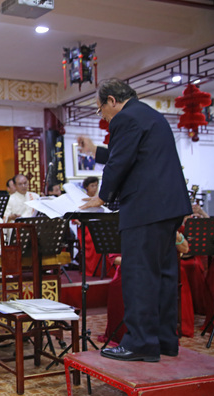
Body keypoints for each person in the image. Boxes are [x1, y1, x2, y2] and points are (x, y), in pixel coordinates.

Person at [79, 78, 191, 362]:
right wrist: (94, 150)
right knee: (163, 274)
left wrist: (102, 196)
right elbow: (134, 154)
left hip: (145, 207)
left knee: (139, 275)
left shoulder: (125, 118)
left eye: (101, 109)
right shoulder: (150, 115)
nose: (103, 116)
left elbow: (120, 161)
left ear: (112, 100)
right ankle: (164, 340)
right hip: (168, 207)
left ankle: (140, 343)